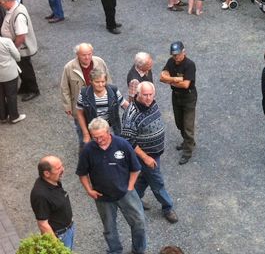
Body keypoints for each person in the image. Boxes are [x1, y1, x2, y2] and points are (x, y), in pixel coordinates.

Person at [76, 118, 147, 254]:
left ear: (108, 132)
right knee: (109, 228)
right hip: (103, 197)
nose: (98, 140)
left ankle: (139, 250)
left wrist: (130, 187)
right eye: (94, 137)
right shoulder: (88, 150)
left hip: (126, 193)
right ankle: (115, 250)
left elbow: (135, 168)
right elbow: (82, 173)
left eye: (101, 137)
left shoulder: (122, 144)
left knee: (139, 223)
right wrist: (89, 190)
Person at [121, 81, 178, 223]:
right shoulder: (131, 114)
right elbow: (128, 140)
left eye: (151, 94)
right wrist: (146, 158)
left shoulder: (152, 103)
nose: (148, 98)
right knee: (157, 183)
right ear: (137, 94)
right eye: (145, 95)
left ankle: (134, 199)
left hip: (155, 153)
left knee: (144, 178)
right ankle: (167, 207)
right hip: (146, 156)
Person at [60, 43, 112, 150]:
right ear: (77, 55)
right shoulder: (69, 67)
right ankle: (85, 155)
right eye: (84, 55)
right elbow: (64, 88)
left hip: (99, 104)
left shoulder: (99, 62)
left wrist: (111, 97)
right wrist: (67, 106)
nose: (87, 57)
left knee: (102, 130)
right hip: (81, 108)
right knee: (83, 134)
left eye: (89, 54)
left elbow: (108, 80)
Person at [159, 41, 197, 165]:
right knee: (179, 123)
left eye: (178, 54)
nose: (176, 57)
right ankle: (188, 141)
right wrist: (175, 79)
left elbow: (186, 85)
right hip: (176, 96)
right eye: (174, 55)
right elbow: (162, 77)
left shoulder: (189, 65)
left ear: (184, 52)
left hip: (188, 97)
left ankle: (187, 152)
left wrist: (169, 80)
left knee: (187, 126)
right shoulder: (171, 62)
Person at [0, 0, 40, 102]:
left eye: (2, 3)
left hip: (21, 48)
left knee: (25, 68)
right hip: (19, 47)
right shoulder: (15, 8)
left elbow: (21, 36)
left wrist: (12, 48)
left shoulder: (19, 15)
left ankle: (33, 89)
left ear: (8, 1)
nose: (1, 5)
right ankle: (25, 87)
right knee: (22, 68)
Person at [30, 156, 75, 250]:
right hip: (59, 236)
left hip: (67, 230)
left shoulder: (53, 181)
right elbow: (43, 224)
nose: (63, 169)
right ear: (46, 173)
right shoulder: (40, 195)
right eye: (58, 168)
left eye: (62, 166)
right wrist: (57, 247)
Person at [75, 68, 127, 140]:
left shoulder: (113, 90)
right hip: (95, 131)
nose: (100, 84)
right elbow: (79, 113)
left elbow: (125, 105)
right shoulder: (84, 93)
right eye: (97, 82)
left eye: (103, 81)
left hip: (112, 129)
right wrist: (86, 133)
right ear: (91, 81)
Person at [0, 35, 22, 124]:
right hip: (9, 73)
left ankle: (2, 116)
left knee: (0, 96)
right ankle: (14, 116)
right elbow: (17, 56)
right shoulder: (6, 41)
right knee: (11, 95)